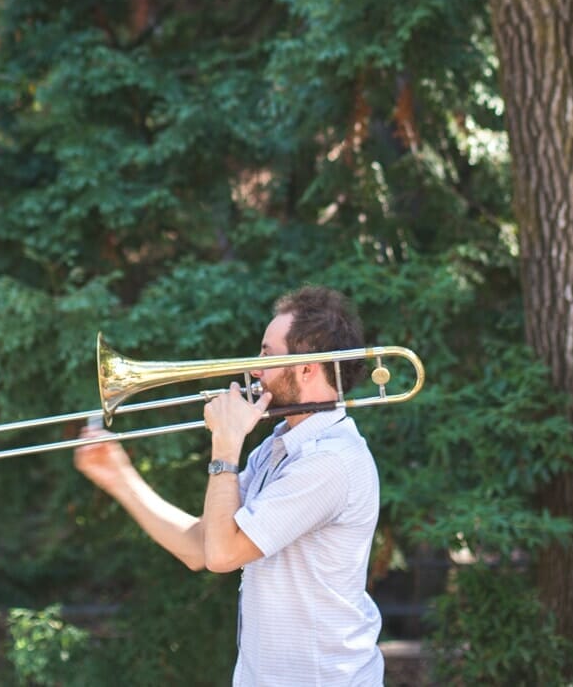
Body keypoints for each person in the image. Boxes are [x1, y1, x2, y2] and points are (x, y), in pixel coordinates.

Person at [75, 286, 383, 685]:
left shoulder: (331, 460)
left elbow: (223, 556)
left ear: (307, 368)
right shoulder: (278, 448)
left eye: (267, 356)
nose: (254, 368)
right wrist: (119, 478)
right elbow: (200, 547)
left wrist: (225, 443)